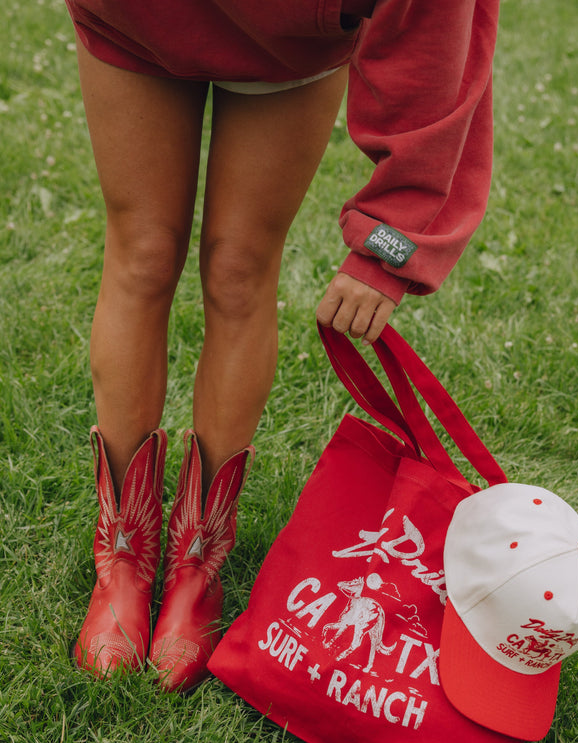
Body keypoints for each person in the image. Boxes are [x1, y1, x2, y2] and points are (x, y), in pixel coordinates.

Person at [65, 0, 501, 691]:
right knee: (143, 255)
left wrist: (394, 237)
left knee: (239, 270)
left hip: (287, 47)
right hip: (135, 17)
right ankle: (123, 555)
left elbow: (439, 41)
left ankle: (196, 561)